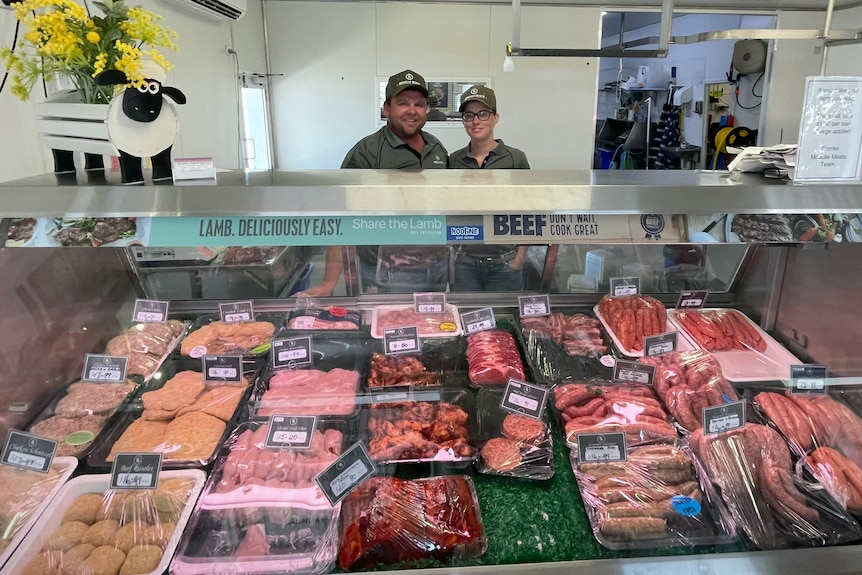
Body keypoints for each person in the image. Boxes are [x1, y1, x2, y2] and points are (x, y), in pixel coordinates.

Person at [303, 69, 449, 296]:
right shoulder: (366, 153)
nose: (412, 111)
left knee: (432, 326)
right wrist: (329, 283)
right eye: (403, 103)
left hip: (436, 267)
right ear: (387, 109)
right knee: (395, 330)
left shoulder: (436, 147)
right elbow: (341, 217)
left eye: (419, 104)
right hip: (389, 273)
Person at [449, 85, 531, 292]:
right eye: (469, 115)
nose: (476, 121)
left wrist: (520, 257)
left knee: (504, 321)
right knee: (467, 321)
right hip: (464, 264)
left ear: (495, 118)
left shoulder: (515, 158)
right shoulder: (454, 160)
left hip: (505, 263)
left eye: (483, 114)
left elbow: (530, 208)